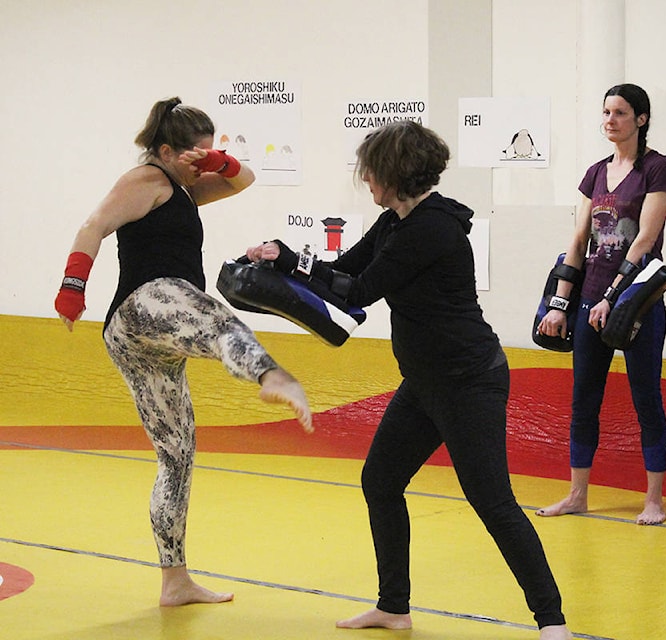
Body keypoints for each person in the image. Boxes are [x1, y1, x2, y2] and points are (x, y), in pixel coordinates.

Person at [247, 121, 571, 640]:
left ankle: (552, 623)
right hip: (423, 383)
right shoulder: (395, 221)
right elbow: (341, 267)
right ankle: (394, 607)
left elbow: (360, 290)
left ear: (394, 173)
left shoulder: (432, 228)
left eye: (371, 171)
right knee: (380, 482)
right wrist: (281, 263)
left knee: (492, 501)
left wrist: (290, 260)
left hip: (469, 381)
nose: (366, 181)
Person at [54, 97, 313, 605]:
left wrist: (215, 163)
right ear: (166, 150)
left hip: (154, 345)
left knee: (176, 456)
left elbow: (245, 180)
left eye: (207, 156)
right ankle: (270, 375)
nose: (202, 166)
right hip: (142, 307)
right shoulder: (144, 181)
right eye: (193, 156)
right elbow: (93, 227)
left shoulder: (184, 187)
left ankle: (174, 580)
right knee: (216, 318)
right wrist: (72, 287)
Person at [535, 83, 666, 525]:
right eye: (605, 113)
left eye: (619, 113)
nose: (609, 121)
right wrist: (560, 304)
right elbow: (578, 240)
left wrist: (612, 298)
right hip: (589, 301)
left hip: (636, 301)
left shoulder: (658, 169)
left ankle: (653, 500)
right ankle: (577, 494)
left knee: (646, 399)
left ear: (641, 119)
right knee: (584, 399)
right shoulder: (595, 173)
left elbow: (645, 240)